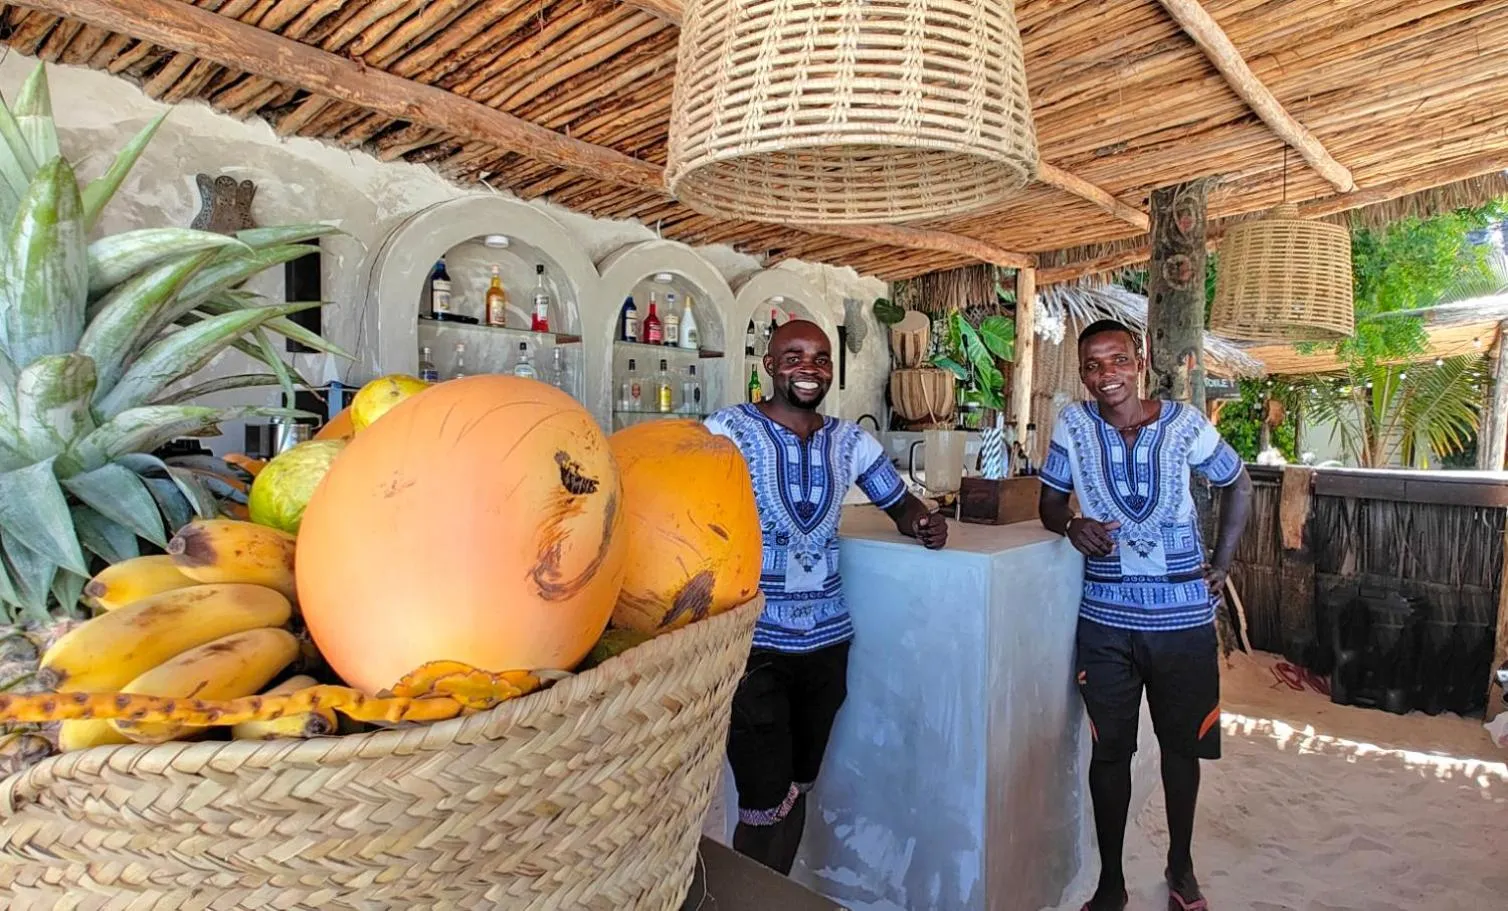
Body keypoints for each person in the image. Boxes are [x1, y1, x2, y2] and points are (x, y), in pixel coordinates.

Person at [705, 318, 947, 875]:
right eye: (793, 356)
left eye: (818, 358)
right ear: (768, 366)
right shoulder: (726, 430)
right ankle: (750, 894)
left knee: (794, 787)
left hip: (827, 644)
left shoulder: (850, 441)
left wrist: (923, 524)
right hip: (753, 647)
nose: (807, 369)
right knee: (762, 799)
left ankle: (777, 891)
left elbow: (900, 502)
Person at [1037, 319, 1252, 911]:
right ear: (1082, 373)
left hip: (1182, 619)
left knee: (1181, 747)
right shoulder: (1075, 426)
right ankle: (1111, 883)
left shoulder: (1184, 424)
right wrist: (1070, 523)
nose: (1105, 375)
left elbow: (1239, 483)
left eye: (1116, 361)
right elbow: (1049, 501)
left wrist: (1223, 562)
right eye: (1092, 365)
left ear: (1138, 360)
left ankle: (1180, 868)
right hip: (1105, 618)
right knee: (1109, 751)